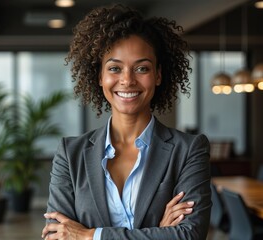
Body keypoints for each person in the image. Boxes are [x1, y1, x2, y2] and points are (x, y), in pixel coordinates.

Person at [41, 3, 211, 240]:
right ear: (100, 76)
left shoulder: (189, 150)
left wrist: (90, 236)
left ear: (158, 75)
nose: (127, 80)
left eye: (141, 68)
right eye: (115, 68)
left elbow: (189, 235)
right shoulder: (70, 154)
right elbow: (56, 236)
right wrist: (160, 234)